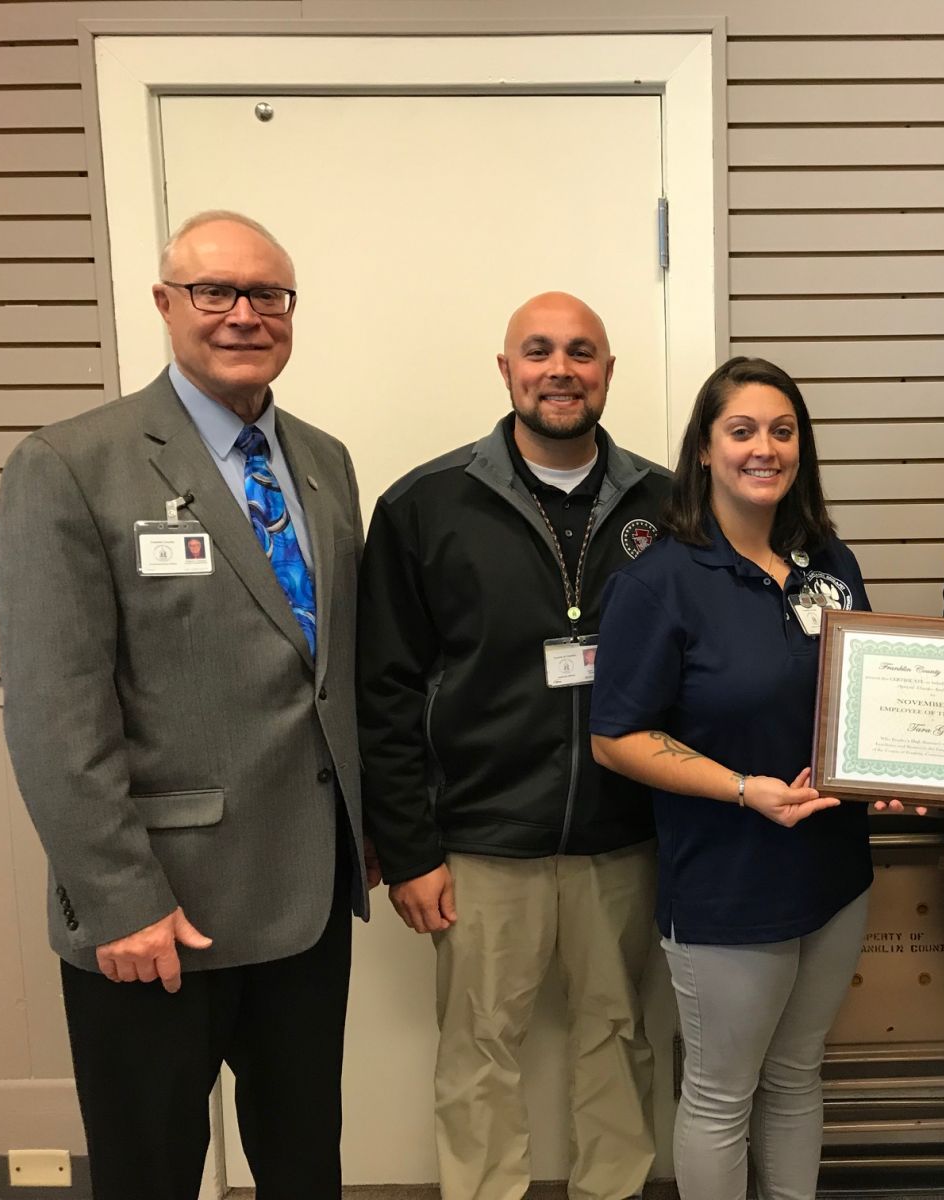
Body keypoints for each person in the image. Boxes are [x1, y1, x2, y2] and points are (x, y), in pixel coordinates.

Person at [0, 210, 373, 1198]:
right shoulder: (71, 466)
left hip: (304, 899)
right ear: (166, 304)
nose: (244, 314)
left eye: (268, 294)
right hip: (160, 910)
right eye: (216, 292)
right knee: (152, 1172)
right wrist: (121, 899)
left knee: (305, 1166)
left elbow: (330, 671)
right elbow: (52, 715)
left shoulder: (326, 464)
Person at [357, 291, 670, 1200]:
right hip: (481, 840)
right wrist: (410, 848)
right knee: (479, 1049)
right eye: (538, 352)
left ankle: (613, 1188)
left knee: (619, 1037)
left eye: (581, 352)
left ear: (609, 372)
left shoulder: (669, 501)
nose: (559, 370)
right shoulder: (424, 505)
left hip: (626, 835)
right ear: (506, 370)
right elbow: (386, 692)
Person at [589, 357, 873, 1200]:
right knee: (720, 1095)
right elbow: (617, 737)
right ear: (704, 451)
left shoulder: (830, 559)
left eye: (782, 431)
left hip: (835, 872)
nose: (764, 449)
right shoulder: (660, 581)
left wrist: (888, 765)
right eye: (741, 431)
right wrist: (744, 788)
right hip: (727, 880)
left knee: (797, 1075)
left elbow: (863, 692)